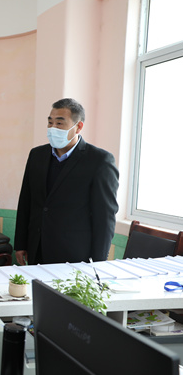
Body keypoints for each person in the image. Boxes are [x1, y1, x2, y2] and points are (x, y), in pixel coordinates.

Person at [14, 98, 119, 265]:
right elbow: (26, 202)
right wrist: (20, 244)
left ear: (78, 126)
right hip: (37, 247)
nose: (52, 128)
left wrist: (98, 262)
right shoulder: (37, 155)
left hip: (74, 254)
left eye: (59, 123)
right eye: (50, 122)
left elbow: (104, 217)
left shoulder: (99, 160)